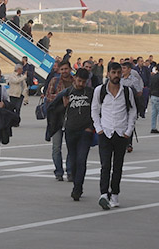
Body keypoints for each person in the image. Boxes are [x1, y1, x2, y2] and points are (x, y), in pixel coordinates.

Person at [92, 62, 137, 210]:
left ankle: (115, 194)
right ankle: (104, 194)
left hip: (121, 133)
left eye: (119, 72)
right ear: (108, 73)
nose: (116, 75)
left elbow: (132, 111)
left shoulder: (127, 91)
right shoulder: (100, 90)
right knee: (105, 165)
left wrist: (128, 131)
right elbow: (94, 110)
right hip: (105, 132)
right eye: (113, 72)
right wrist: (98, 128)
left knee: (118, 166)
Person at [62, 68, 95, 201]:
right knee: (73, 160)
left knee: (81, 160)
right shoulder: (68, 91)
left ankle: (77, 187)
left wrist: (91, 127)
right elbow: (54, 104)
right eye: (79, 80)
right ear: (75, 78)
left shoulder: (91, 93)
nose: (81, 84)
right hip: (70, 130)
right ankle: (76, 180)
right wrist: (63, 105)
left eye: (84, 82)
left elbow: (97, 110)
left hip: (85, 132)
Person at [46, 60, 74, 181]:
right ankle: (58, 171)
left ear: (70, 69)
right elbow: (48, 96)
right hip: (57, 119)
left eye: (66, 69)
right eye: (62, 69)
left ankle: (70, 171)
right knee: (56, 147)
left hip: (71, 119)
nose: (64, 72)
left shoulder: (75, 81)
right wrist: (60, 98)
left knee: (71, 147)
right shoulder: (55, 81)